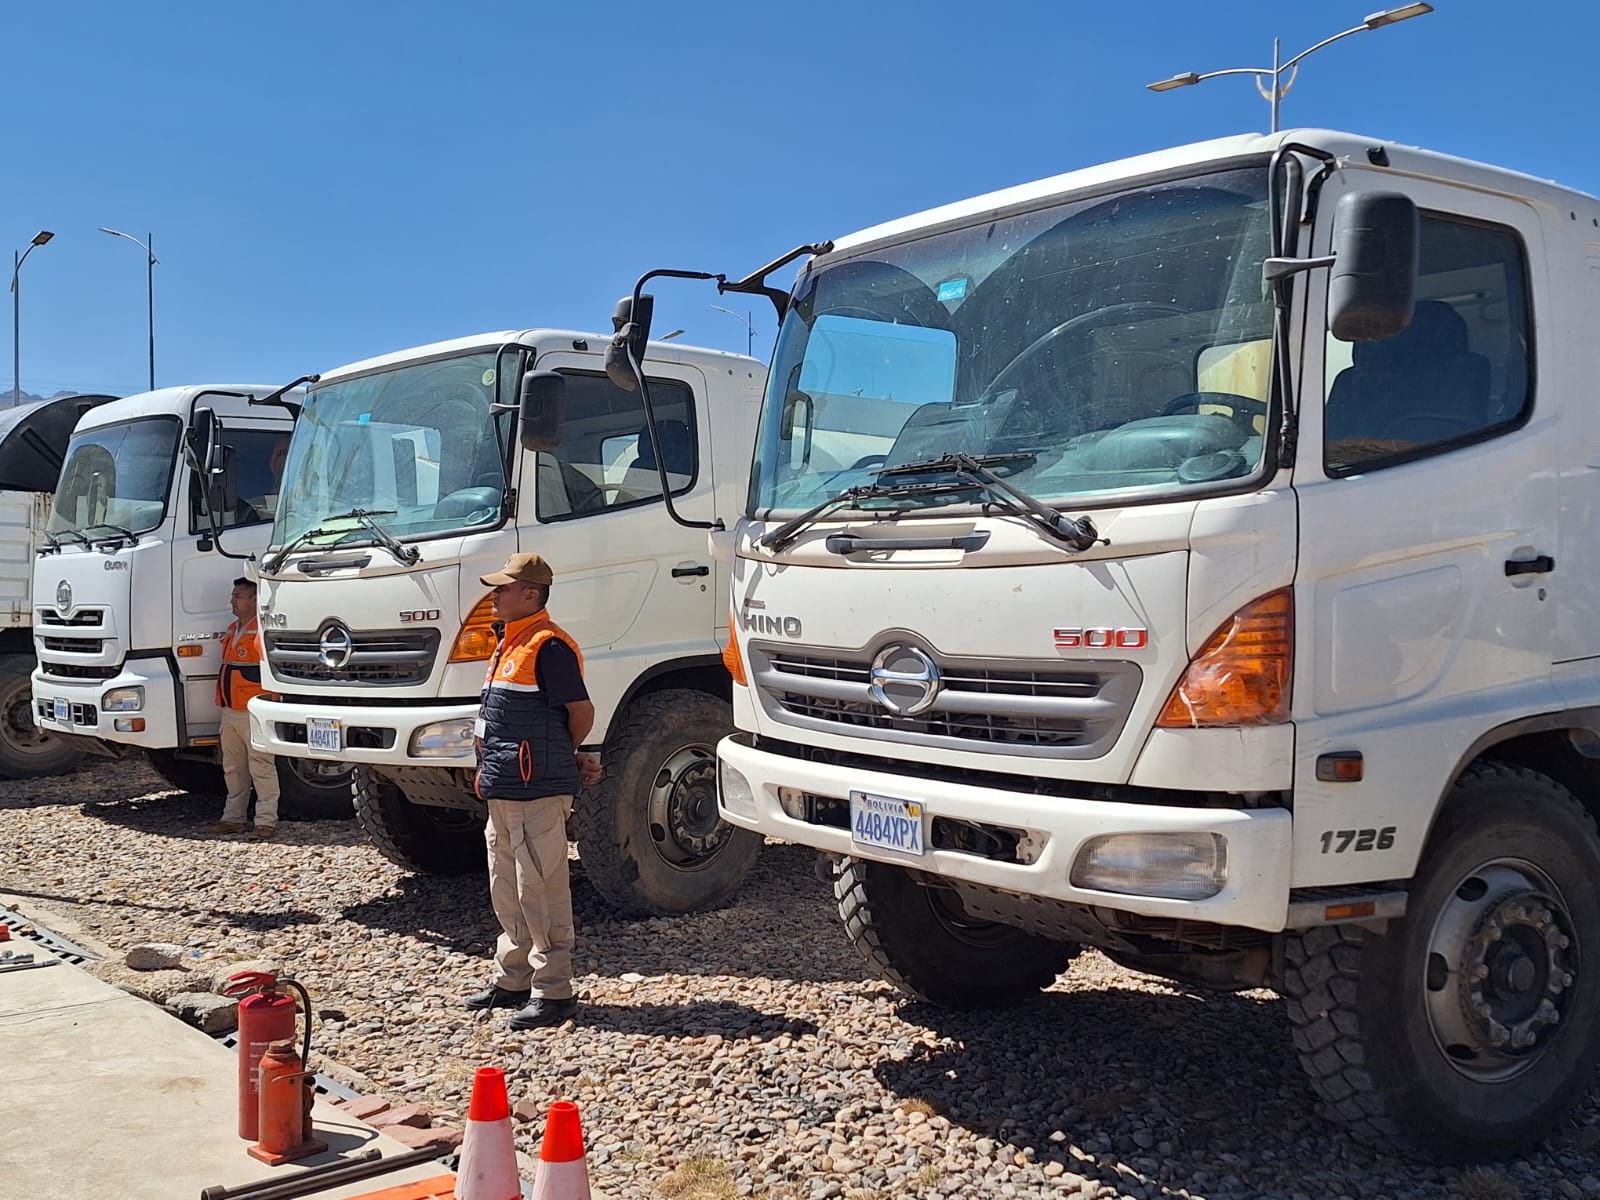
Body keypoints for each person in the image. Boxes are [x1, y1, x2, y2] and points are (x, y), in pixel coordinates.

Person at [462, 552, 602, 1030]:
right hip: (505, 787)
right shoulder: (508, 643)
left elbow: (580, 713)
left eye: (503, 588)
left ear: (532, 594)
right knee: (507, 884)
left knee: (540, 888)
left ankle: (554, 991)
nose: (494, 595)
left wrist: (559, 755)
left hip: (533, 787)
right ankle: (514, 979)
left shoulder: (548, 646)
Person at [204, 577, 280, 838]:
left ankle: (266, 822)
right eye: (233, 595)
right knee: (233, 768)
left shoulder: (261, 630)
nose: (232, 601)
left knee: (261, 766)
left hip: (253, 711)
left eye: (238, 596)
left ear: (254, 600)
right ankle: (233, 818)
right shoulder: (233, 628)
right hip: (230, 711)